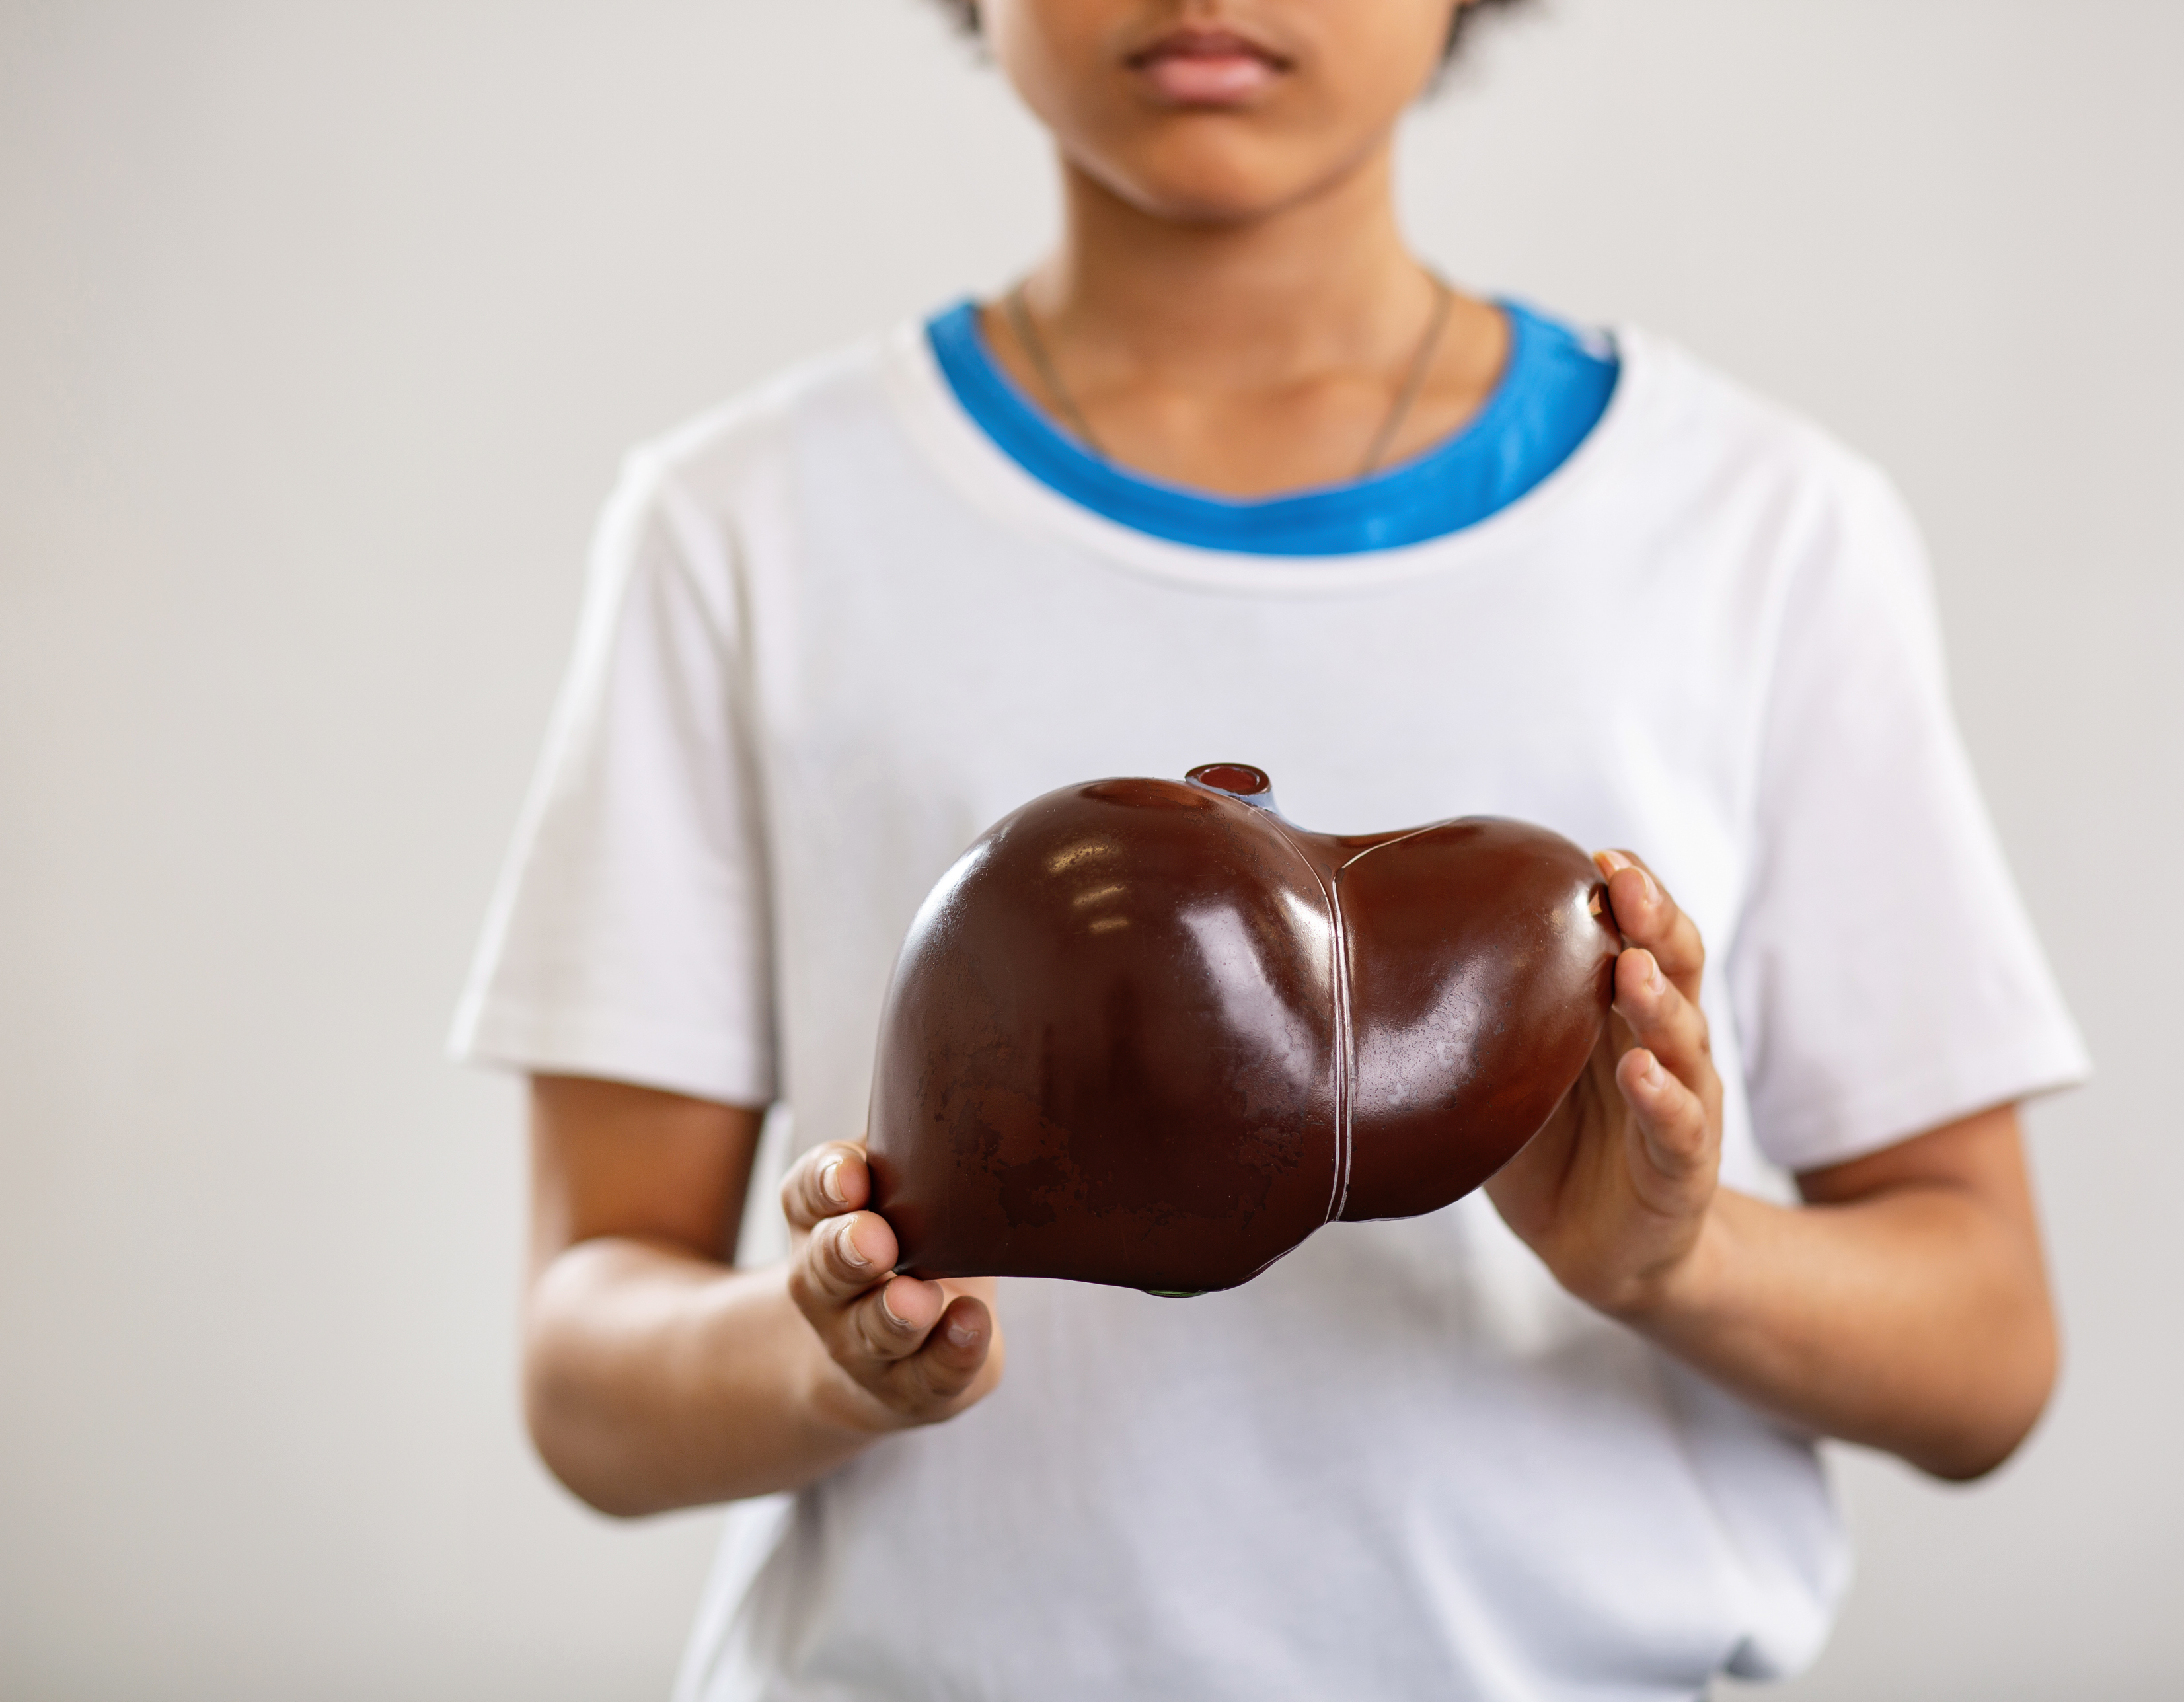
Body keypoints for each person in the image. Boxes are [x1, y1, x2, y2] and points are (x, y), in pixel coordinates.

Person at [452, 1, 2089, 1695]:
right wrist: (824, 1354)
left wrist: (1678, 1256)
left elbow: (1988, 1356)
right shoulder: (746, 527)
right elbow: (586, 1376)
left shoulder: (1757, 528)